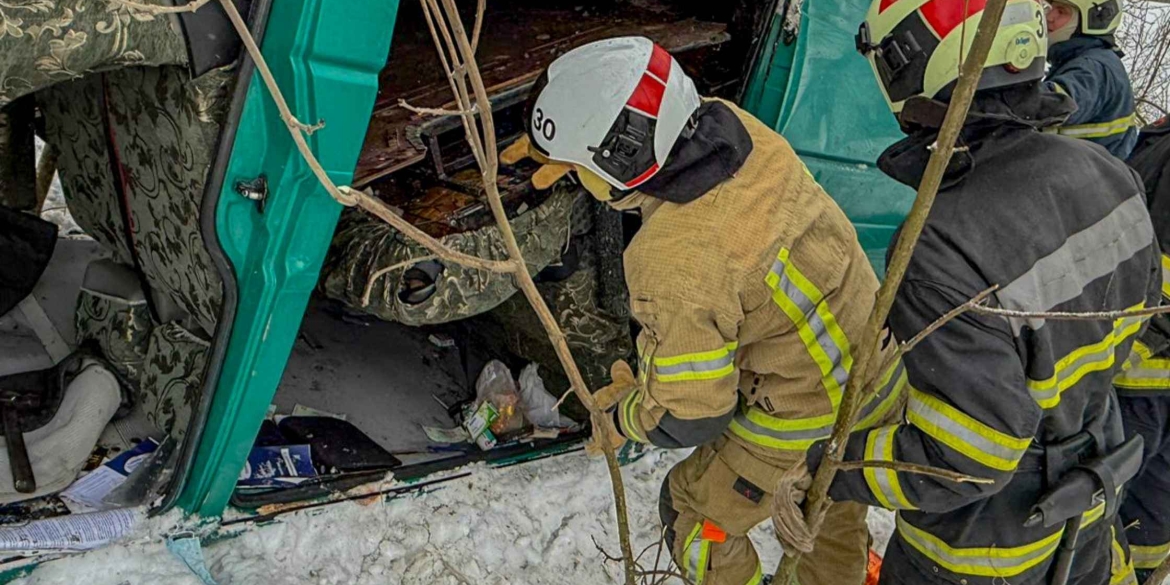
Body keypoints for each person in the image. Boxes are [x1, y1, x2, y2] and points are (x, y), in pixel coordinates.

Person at [771, 1, 1159, 584]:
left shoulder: (941, 243)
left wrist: (833, 464)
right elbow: (1127, 330)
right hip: (1087, 520)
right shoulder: (1109, 174)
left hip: (980, 555)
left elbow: (966, 459)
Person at [503, 36, 907, 585]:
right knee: (827, 501)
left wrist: (627, 415)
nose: (576, 178)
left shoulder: (674, 261)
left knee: (693, 515)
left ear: (618, 160)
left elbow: (693, 415)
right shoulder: (738, 133)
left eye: (578, 167)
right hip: (876, 365)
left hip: (810, 413)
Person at [1115, 117, 1170, 582]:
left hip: (1141, 380)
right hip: (1149, 376)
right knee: (1152, 507)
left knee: (1108, 503)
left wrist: (1125, 351)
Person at [1044, 0, 1139, 158]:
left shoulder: (1092, 68)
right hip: (1083, 174)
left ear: (1093, 20)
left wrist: (1005, 95)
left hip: (1083, 178)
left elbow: (1052, 105)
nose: (1049, 17)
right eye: (1050, 8)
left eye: (1061, 11)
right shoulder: (1083, 58)